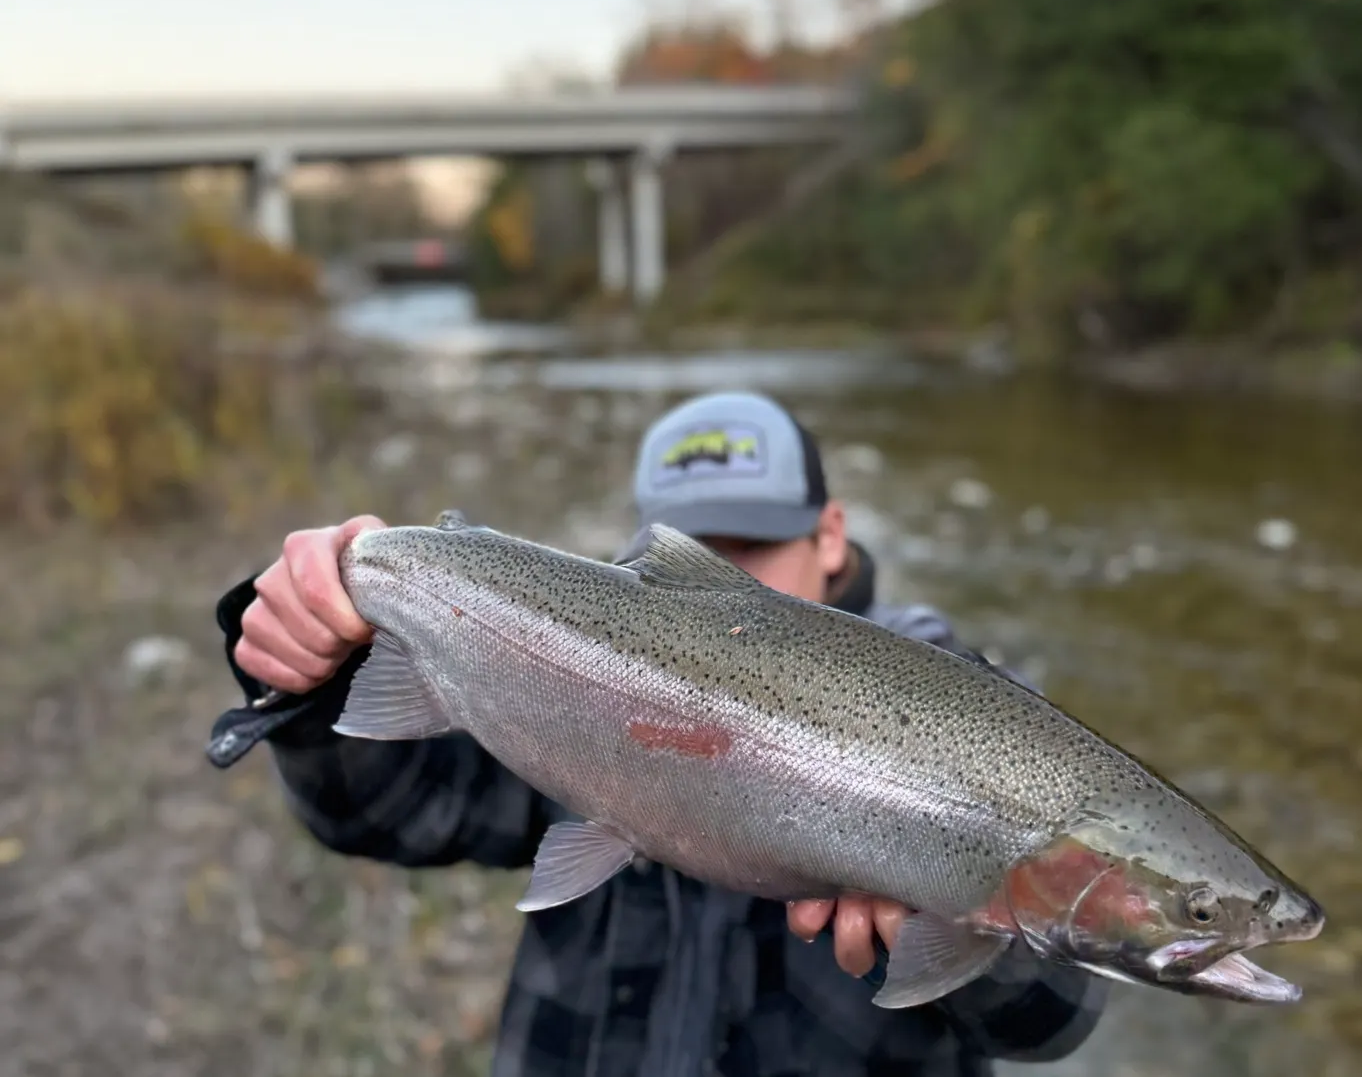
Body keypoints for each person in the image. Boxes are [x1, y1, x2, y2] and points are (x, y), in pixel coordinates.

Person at [208, 390, 1107, 1076]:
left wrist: (959, 916)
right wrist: (308, 668)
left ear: (830, 535)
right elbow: (384, 814)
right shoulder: (580, 666)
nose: (723, 582)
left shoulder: (973, 710)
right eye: (695, 552)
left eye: (751, 549)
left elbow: (1054, 1020)